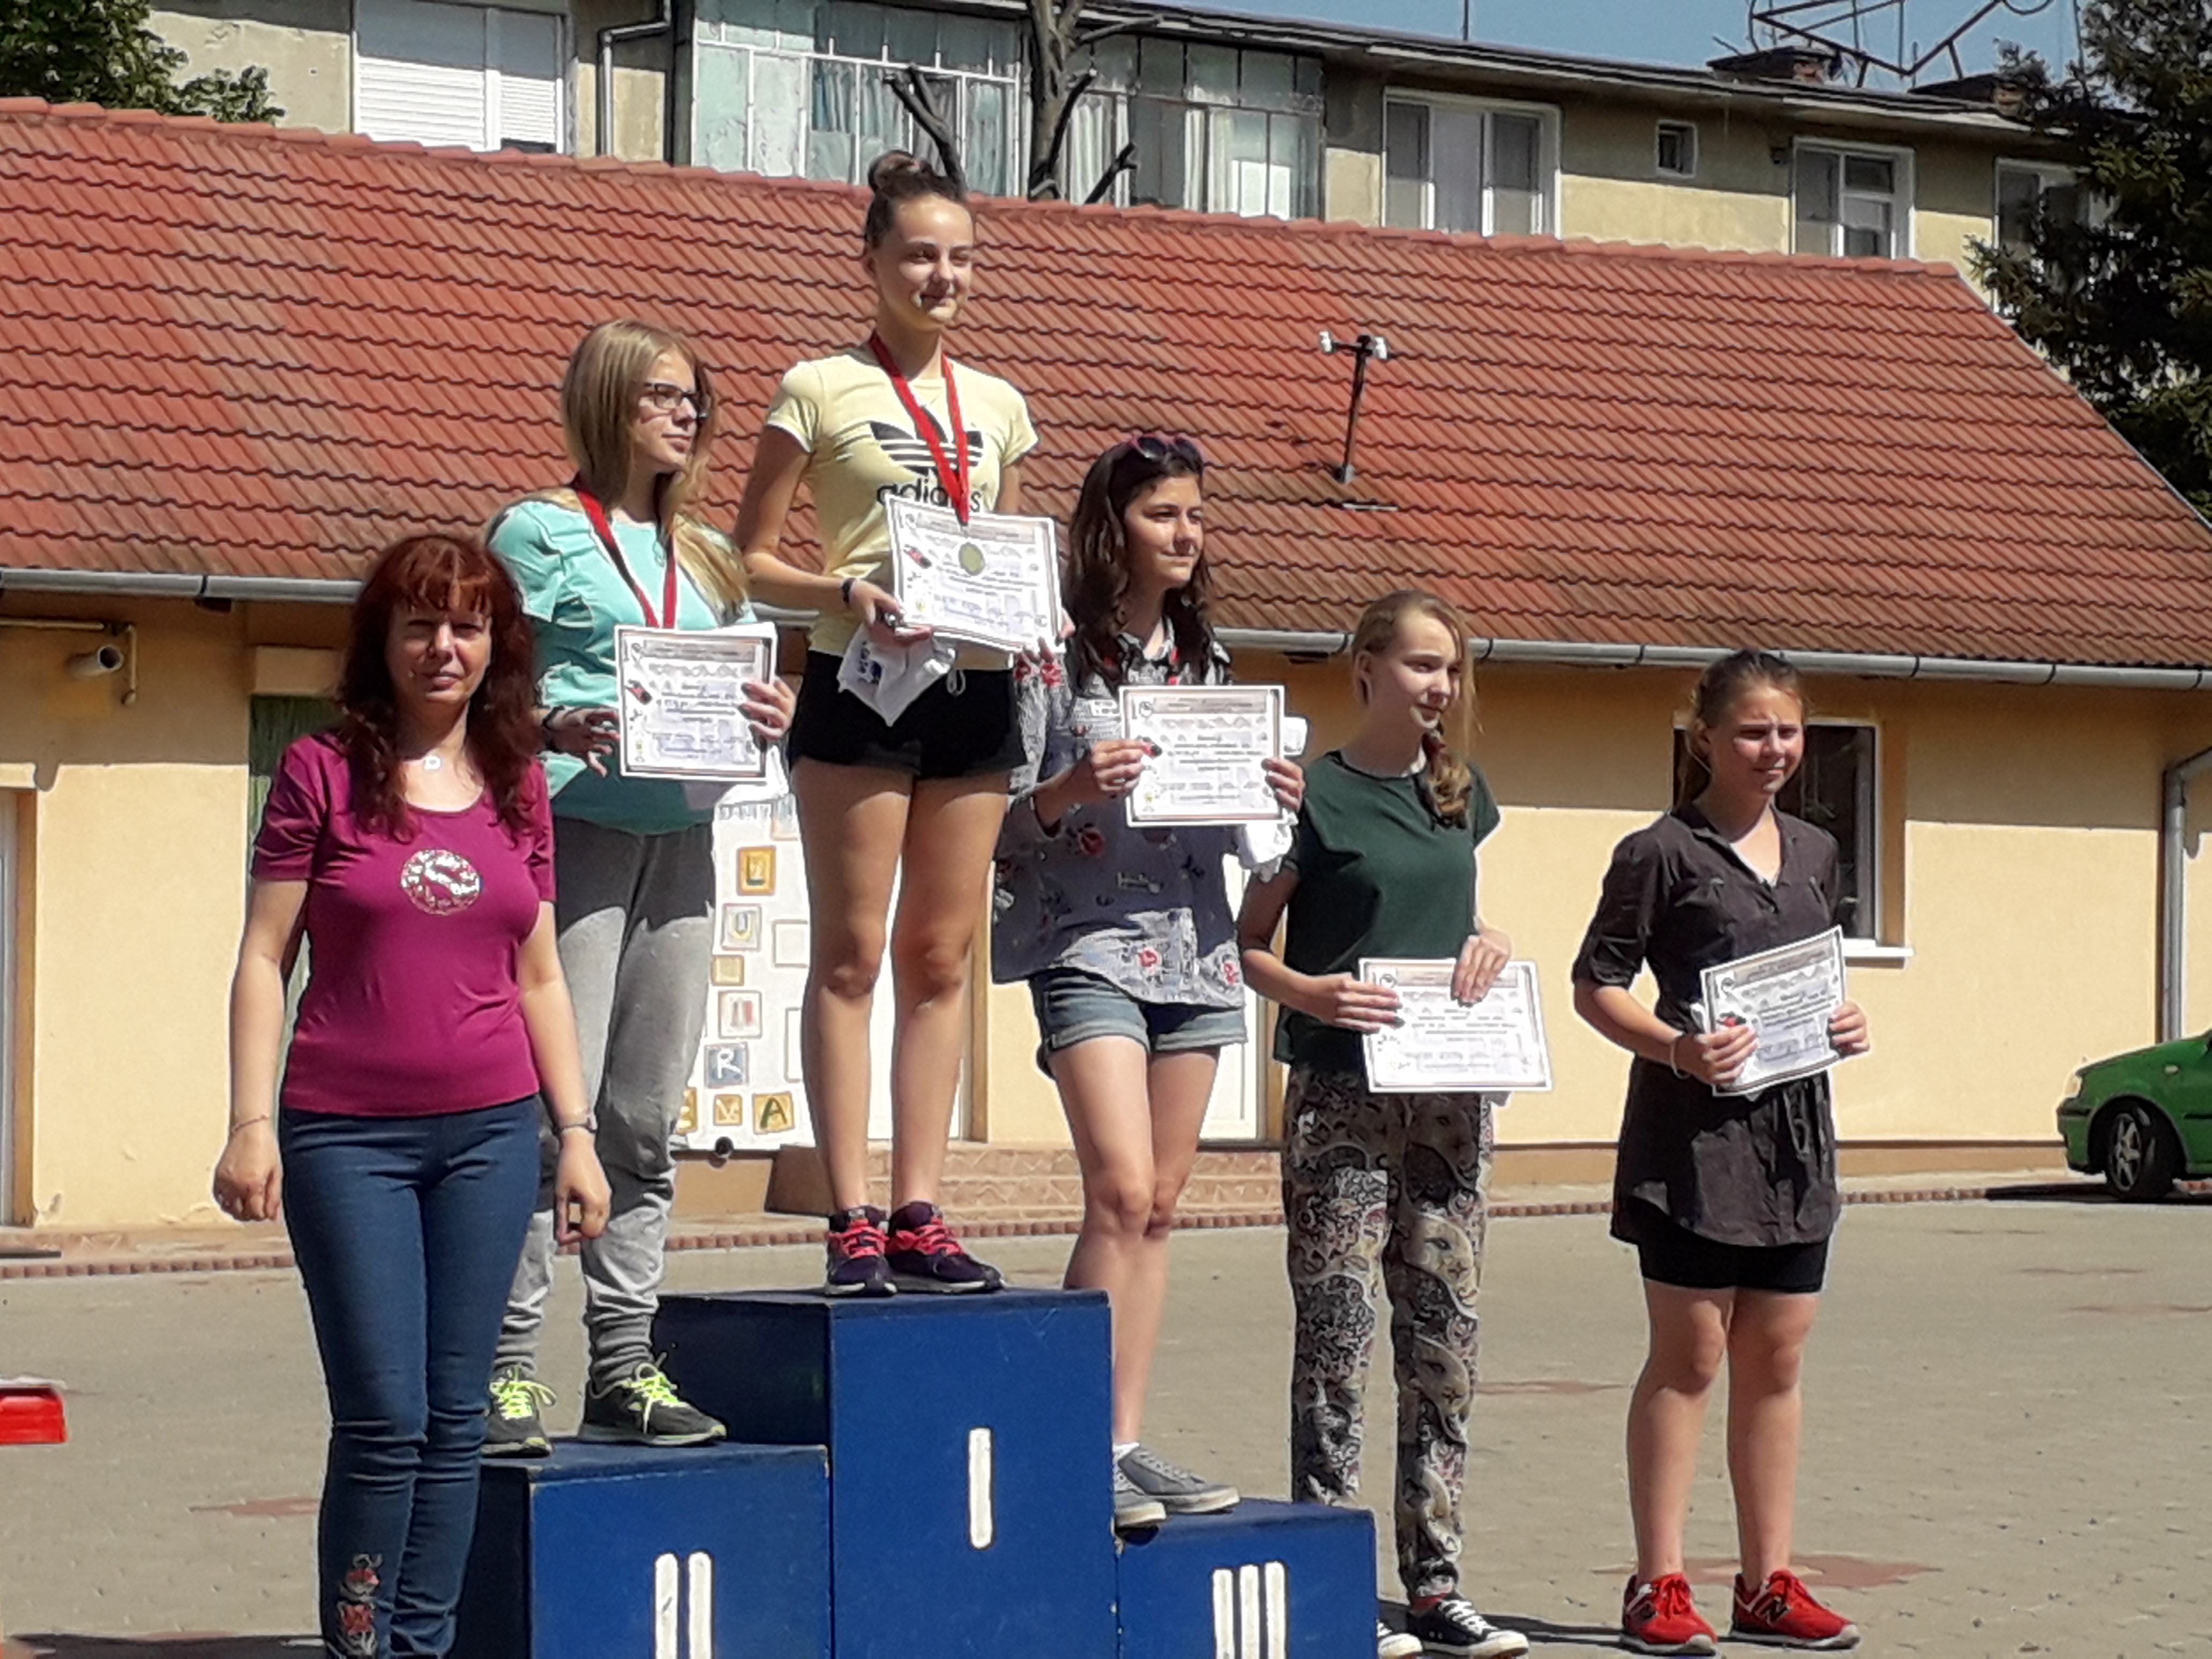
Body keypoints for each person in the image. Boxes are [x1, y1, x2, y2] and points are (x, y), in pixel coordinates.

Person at [212, 534, 614, 1659]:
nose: (445, 647)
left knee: (456, 1419)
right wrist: (250, 1124)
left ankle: (421, 1646)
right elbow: (263, 957)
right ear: (380, 641)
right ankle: (359, 1643)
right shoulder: (321, 772)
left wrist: (577, 1135)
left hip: (490, 1137)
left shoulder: (520, 783)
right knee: (385, 1419)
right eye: (421, 624)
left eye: (468, 626)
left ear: (497, 647)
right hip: (347, 1141)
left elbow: (541, 976)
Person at [480, 319, 796, 1455]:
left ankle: (624, 1364)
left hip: (686, 846)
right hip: (573, 838)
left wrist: (772, 711)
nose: (688, 414)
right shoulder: (534, 532)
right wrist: (549, 725)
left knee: (646, 1117)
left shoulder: (708, 554)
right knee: (547, 1114)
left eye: (696, 398)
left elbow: (749, 674)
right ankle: (508, 1371)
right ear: (609, 402)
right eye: (664, 394)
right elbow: (476, 684)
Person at [733, 152, 1040, 1296]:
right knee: (854, 952)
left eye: (960, 258)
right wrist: (846, 589)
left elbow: (1003, 555)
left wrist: (1032, 617)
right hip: (858, 679)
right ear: (872, 262)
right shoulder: (818, 387)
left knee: (941, 957)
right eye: (919, 255)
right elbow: (749, 557)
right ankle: (849, 1212)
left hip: (973, 690)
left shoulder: (1000, 406)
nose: (940, 276)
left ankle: (920, 1210)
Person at [993, 434, 1302, 1531]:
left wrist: (1271, 799)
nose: (1186, 534)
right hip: (1083, 943)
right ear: (1111, 526)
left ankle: (1121, 1441)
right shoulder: (1050, 658)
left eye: (1196, 516)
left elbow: (1248, 839)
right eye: (1163, 513)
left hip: (1197, 947)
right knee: (1119, 1190)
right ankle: (1068, 1440)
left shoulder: (1209, 665)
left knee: (1162, 1209)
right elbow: (994, 825)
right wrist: (1072, 786)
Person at [1236, 592, 1529, 1659]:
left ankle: (1437, 1586)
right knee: (1339, 1334)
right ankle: (1333, 1579)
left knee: (1443, 1339)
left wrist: (1490, 943)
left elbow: (1451, 915)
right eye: (1419, 665)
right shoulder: (1309, 795)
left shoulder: (1461, 792)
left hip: (1448, 1102)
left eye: (1450, 669)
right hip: (1340, 1098)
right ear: (1365, 667)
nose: (1438, 686)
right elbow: (1247, 945)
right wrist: (1310, 993)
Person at [1570, 650, 1870, 1656]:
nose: (1773, 749)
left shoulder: (1819, 851)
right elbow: (1596, 985)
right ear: (1704, 736)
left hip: (1795, 1144)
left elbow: (1810, 978)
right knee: (1691, 1356)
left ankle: (1767, 1585)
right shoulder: (1659, 853)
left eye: (1788, 731)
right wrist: (1677, 1049)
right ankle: (1657, 1584)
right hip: (1692, 1143)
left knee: (1777, 1360)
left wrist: (1842, 1021)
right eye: (1752, 731)